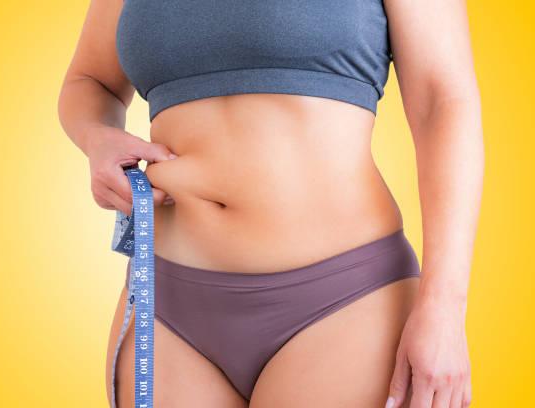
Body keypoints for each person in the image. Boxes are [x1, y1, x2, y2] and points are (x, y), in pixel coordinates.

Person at [57, 0, 483, 406]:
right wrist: (98, 137)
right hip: (167, 304)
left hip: (343, 302)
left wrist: (444, 310)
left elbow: (443, 103)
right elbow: (89, 81)